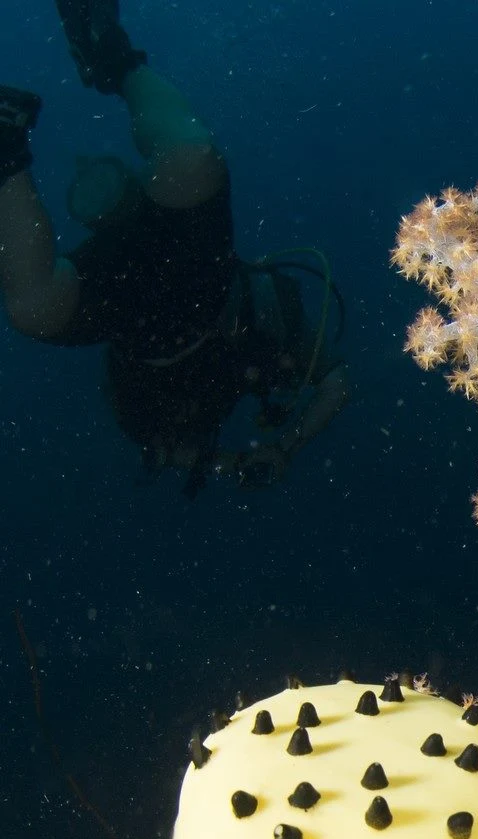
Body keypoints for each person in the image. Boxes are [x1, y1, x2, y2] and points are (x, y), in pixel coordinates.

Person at [0, 0, 349, 495]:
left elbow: (162, 449)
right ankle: (114, 59)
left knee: (33, 309)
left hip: (128, 315)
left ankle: (5, 148)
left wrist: (258, 456)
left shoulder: (155, 411)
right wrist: (286, 446)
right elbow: (338, 382)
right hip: (198, 266)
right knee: (192, 159)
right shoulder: (278, 325)